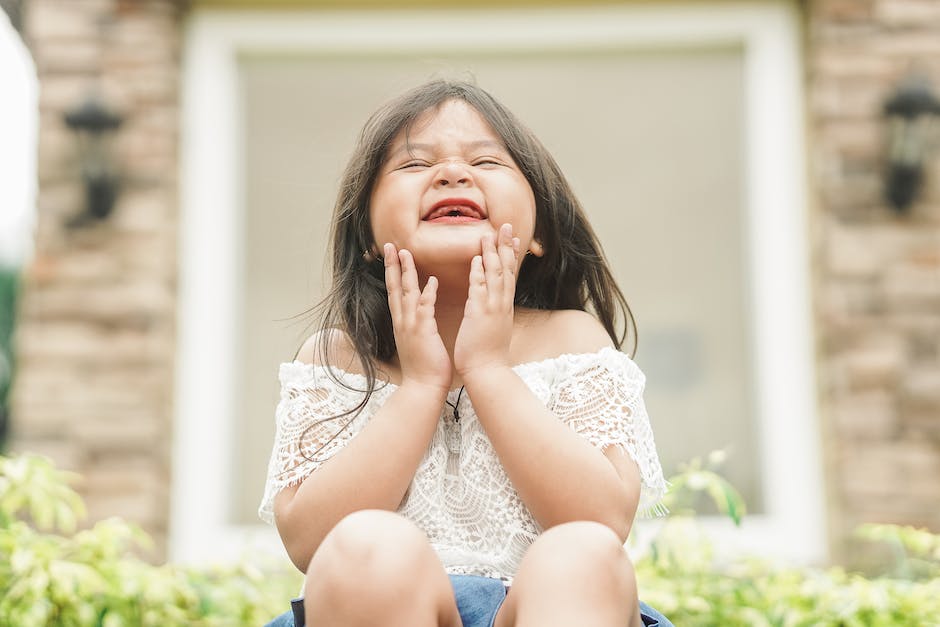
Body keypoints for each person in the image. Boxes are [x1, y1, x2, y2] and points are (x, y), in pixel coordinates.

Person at [260, 79, 672, 627]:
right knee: (367, 546)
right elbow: (312, 544)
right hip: (377, 607)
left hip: (545, 609)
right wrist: (423, 386)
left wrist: (488, 369)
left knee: (582, 556)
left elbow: (602, 522)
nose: (452, 173)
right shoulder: (337, 359)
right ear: (365, 236)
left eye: (486, 161)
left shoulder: (574, 341)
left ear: (538, 235)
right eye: (412, 165)